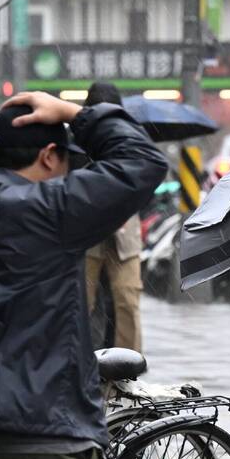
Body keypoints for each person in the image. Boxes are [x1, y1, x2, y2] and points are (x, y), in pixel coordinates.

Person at [0, 91, 168, 459]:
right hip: (40, 444)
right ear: (49, 156)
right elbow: (143, 161)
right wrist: (75, 113)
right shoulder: (50, 208)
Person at [83, 81, 145, 352]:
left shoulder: (133, 135)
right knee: (80, 302)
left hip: (124, 230)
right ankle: (74, 366)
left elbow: (147, 177)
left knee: (127, 300)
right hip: (86, 231)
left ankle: (127, 371)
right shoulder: (77, 137)